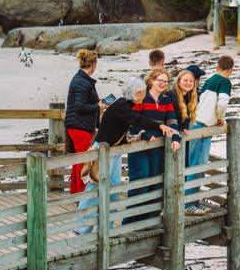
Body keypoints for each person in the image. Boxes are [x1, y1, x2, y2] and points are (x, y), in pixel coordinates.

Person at [74, 77, 176, 234]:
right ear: (137, 93)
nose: (144, 95)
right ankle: (79, 229)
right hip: (102, 151)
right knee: (95, 188)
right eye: (142, 93)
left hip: (112, 151)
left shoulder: (125, 105)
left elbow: (122, 126)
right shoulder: (121, 106)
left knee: (113, 190)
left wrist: (132, 137)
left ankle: (106, 229)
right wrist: (159, 125)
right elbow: (137, 119)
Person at [125, 68, 182, 223]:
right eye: (160, 80)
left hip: (158, 150)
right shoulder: (142, 98)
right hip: (140, 149)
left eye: (165, 81)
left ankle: (151, 223)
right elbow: (132, 121)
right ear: (151, 80)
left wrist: (176, 138)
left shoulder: (166, 101)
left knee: (156, 185)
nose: (163, 83)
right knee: (140, 186)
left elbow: (172, 122)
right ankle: (130, 224)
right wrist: (145, 134)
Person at [190, 56, 233, 212]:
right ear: (231, 70)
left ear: (217, 68)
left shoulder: (210, 80)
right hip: (203, 126)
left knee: (196, 164)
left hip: (196, 122)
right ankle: (189, 204)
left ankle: (193, 202)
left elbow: (203, 101)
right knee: (197, 166)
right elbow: (222, 102)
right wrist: (220, 117)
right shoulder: (225, 82)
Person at [65, 49, 107, 194]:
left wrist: (97, 103)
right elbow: (80, 106)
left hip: (77, 125)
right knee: (84, 161)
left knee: (80, 160)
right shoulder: (83, 81)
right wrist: (98, 106)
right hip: (79, 126)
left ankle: (76, 192)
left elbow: (81, 103)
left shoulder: (81, 79)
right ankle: (81, 194)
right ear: (93, 64)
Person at [171, 65, 210, 215]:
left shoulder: (191, 96)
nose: (190, 83)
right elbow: (170, 117)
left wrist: (185, 127)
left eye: (191, 81)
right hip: (173, 139)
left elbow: (187, 117)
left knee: (186, 167)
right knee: (180, 170)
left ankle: (189, 202)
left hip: (183, 136)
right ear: (179, 81)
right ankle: (184, 204)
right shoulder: (172, 95)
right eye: (186, 80)